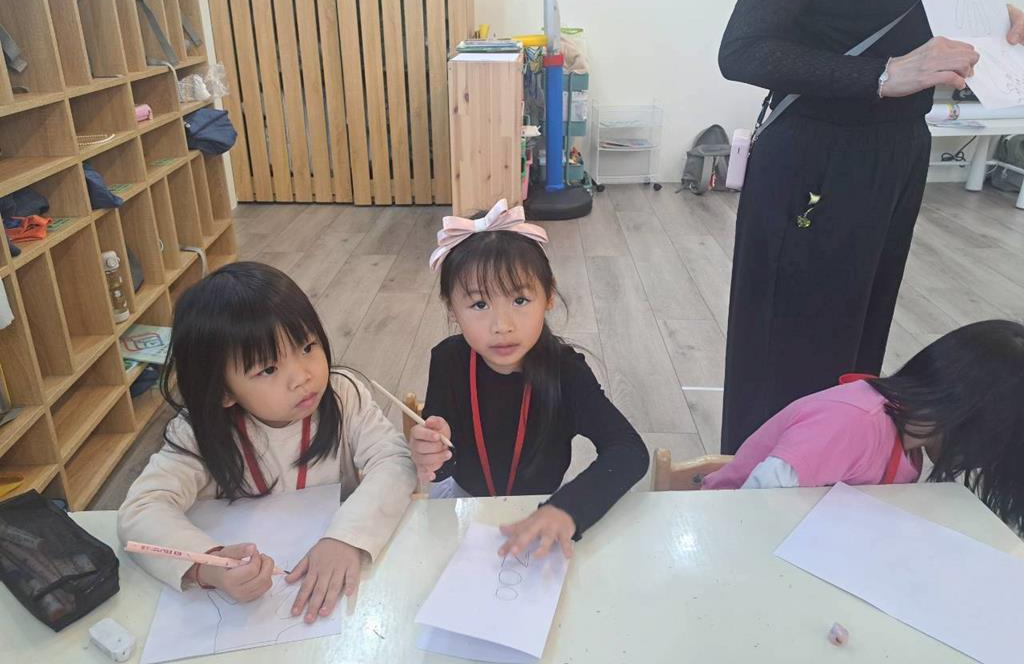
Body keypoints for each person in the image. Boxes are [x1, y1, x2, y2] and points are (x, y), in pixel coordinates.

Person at [717, 0, 1024, 453]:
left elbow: (896, 3)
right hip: (818, 153)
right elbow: (742, 50)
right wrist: (883, 75)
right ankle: (759, 488)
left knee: (855, 349)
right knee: (787, 360)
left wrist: (991, 27)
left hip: (901, 148)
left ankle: (831, 474)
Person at [117, 262, 416, 622]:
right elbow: (141, 510)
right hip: (248, 614)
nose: (302, 376)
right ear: (223, 390)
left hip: (339, 592)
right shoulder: (197, 433)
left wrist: (347, 538)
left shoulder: (343, 396)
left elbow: (394, 461)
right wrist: (208, 564)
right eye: (269, 369)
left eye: (307, 346)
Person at [410, 200, 649, 560]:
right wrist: (431, 454)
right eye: (479, 305)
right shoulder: (448, 360)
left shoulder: (567, 372)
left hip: (543, 510)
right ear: (452, 309)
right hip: (464, 505)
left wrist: (567, 508)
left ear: (548, 295)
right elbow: (445, 465)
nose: (502, 325)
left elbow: (629, 451)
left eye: (520, 300)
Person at [704, 320, 1024, 533]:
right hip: (722, 528)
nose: (982, 460)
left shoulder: (908, 448)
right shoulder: (851, 423)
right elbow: (752, 505)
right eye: (993, 447)